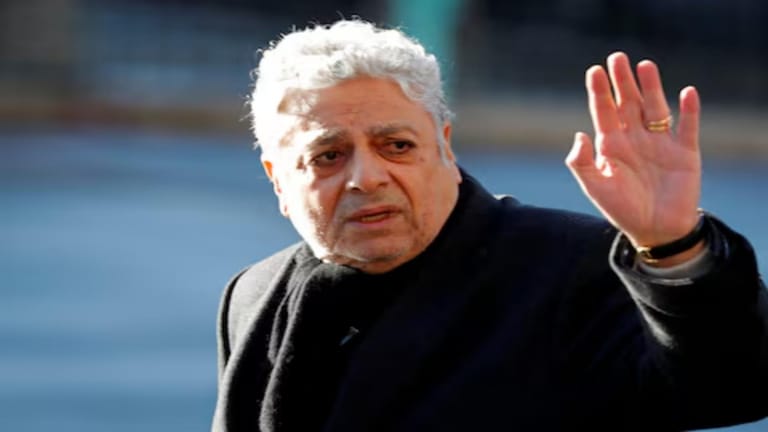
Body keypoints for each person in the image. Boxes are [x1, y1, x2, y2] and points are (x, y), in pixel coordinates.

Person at [211, 19, 768, 432]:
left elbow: (734, 388)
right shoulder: (254, 293)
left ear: (445, 149)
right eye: (328, 156)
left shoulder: (573, 268)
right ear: (278, 180)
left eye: (396, 146)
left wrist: (673, 248)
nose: (367, 177)